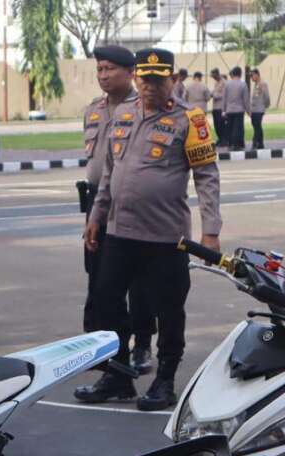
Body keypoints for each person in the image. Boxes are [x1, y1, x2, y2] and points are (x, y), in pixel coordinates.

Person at [75, 48, 222, 411]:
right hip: (119, 232)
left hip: (165, 237)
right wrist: (96, 216)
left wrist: (211, 231)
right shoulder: (123, 114)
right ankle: (118, 375)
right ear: (137, 79)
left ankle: (165, 380)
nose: (150, 87)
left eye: (158, 80)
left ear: (173, 80)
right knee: (106, 301)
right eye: (145, 80)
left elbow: (206, 177)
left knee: (169, 309)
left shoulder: (191, 119)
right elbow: (109, 173)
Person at [79, 45, 156, 374]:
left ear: (130, 73)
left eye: (110, 69)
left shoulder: (142, 108)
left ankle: (142, 343)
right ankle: (102, 345)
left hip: (129, 204)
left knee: (138, 280)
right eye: (100, 69)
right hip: (96, 203)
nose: (104, 75)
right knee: (97, 276)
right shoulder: (93, 110)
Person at [223, 66, 250, 150]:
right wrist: (248, 111)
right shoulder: (243, 84)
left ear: (233, 74)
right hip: (239, 110)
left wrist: (223, 110)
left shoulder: (227, 84)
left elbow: (224, 98)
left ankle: (230, 144)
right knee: (238, 128)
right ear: (240, 74)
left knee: (230, 127)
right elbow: (246, 99)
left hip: (229, 110)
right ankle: (237, 144)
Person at [249, 68, 271, 150]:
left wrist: (265, 106)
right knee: (256, 126)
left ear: (257, 75)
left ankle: (255, 143)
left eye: (252, 75)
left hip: (259, 109)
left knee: (257, 126)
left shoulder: (262, 84)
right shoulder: (256, 84)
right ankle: (260, 143)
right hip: (254, 110)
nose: (251, 77)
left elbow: (267, 97)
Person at [210, 68, 227, 146]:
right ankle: (220, 139)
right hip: (215, 107)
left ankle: (224, 140)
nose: (213, 78)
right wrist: (210, 93)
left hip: (221, 107)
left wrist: (214, 95)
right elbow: (214, 92)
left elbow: (224, 95)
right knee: (216, 125)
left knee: (221, 125)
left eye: (214, 76)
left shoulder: (224, 83)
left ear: (217, 74)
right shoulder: (216, 83)